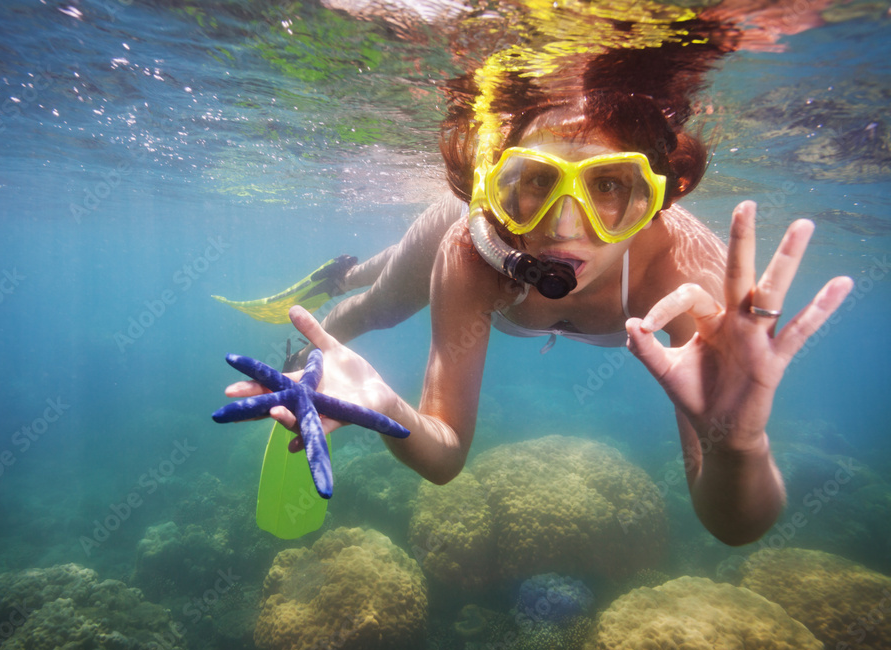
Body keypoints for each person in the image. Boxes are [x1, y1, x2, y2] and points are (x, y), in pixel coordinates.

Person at [224, 41, 854, 547]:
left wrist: (739, 446)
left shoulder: (686, 277)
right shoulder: (472, 253)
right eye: (534, 183)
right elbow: (444, 456)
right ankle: (339, 286)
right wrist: (397, 412)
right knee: (382, 303)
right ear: (498, 186)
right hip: (454, 231)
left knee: (391, 287)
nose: (564, 225)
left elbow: (735, 527)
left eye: (609, 186)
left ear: (656, 198)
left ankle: (349, 270)